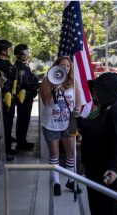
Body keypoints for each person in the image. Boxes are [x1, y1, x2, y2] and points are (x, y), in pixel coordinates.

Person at [78, 72, 117, 215]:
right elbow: (93, 127)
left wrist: (114, 168)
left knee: (109, 209)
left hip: (109, 177)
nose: (93, 92)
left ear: (106, 90)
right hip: (96, 173)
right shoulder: (103, 109)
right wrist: (77, 119)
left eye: (96, 89)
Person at [40, 56, 83, 196]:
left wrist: (76, 112)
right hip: (51, 123)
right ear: (56, 66)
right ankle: (57, 183)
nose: (65, 68)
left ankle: (71, 181)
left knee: (71, 153)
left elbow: (78, 102)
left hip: (68, 123)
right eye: (62, 65)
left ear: (70, 68)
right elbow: (46, 102)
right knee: (54, 154)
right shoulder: (47, 80)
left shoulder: (72, 82)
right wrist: (55, 88)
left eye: (67, 66)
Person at [0, 39, 17, 159]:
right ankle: (4, 152)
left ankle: (8, 148)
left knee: (9, 124)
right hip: (2, 99)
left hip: (11, 97)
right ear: (2, 50)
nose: (9, 50)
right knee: (3, 126)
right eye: (7, 48)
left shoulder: (7, 63)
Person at [14, 44, 40, 150]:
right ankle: (21, 142)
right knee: (23, 120)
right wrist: (36, 84)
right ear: (22, 55)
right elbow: (25, 84)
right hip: (24, 98)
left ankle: (22, 141)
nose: (28, 54)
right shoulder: (21, 68)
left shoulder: (24, 66)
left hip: (27, 97)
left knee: (24, 120)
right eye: (26, 52)